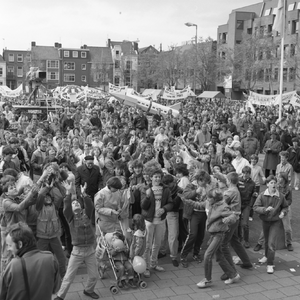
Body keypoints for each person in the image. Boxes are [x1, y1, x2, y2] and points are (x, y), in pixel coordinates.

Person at [54, 181, 100, 300]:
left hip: (90, 250)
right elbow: (67, 206)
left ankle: (88, 290)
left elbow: (90, 205)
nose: (75, 204)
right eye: (73, 203)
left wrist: (84, 194)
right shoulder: (70, 218)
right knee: (69, 277)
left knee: (94, 276)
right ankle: (60, 296)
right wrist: (69, 193)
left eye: (77, 202)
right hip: (77, 251)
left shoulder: (87, 214)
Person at [187, 189, 237, 288]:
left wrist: (228, 219)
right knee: (219, 257)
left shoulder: (223, 207)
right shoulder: (208, 203)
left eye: (209, 198)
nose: (207, 199)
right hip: (213, 234)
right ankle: (233, 275)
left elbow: (233, 216)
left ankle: (207, 280)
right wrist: (186, 200)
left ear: (215, 199)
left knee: (207, 255)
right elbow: (198, 205)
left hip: (219, 234)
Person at [0, 222, 60, 300]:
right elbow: (55, 288)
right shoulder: (50, 258)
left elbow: (2, 294)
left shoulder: (13, 265)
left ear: (20, 244)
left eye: (10, 245)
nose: (8, 249)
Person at [141, 167, 173, 277]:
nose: (157, 179)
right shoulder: (146, 188)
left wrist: (164, 209)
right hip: (149, 221)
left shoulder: (166, 190)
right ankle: (145, 267)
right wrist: (148, 196)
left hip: (161, 220)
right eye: (155, 177)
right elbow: (143, 206)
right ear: (151, 178)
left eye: (159, 177)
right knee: (147, 244)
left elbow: (170, 203)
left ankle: (153, 264)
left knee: (157, 243)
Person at [253, 175, 289, 274]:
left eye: (275, 183)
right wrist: (264, 210)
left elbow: (285, 207)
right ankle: (266, 256)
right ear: (267, 184)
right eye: (271, 183)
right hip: (265, 221)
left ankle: (270, 264)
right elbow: (255, 207)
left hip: (276, 221)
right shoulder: (262, 195)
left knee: (271, 243)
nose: (274, 184)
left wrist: (283, 213)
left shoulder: (280, 196)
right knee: (266, 241)